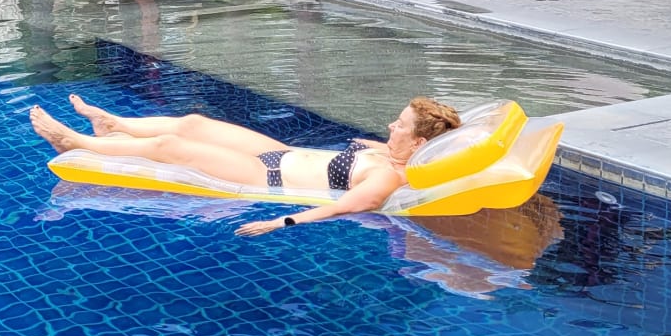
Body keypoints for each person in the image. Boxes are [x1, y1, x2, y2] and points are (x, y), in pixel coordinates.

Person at [29, 94, 463, 236]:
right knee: (194, 123)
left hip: (262, 175)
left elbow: (345, 206)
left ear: (418, 143)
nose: (391, 125)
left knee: (170, 145)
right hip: (278, 152)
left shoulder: (386, 175)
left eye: (400, 125)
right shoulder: (390, 152)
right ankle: (113, 124)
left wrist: (280, 222)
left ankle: (74, 141)